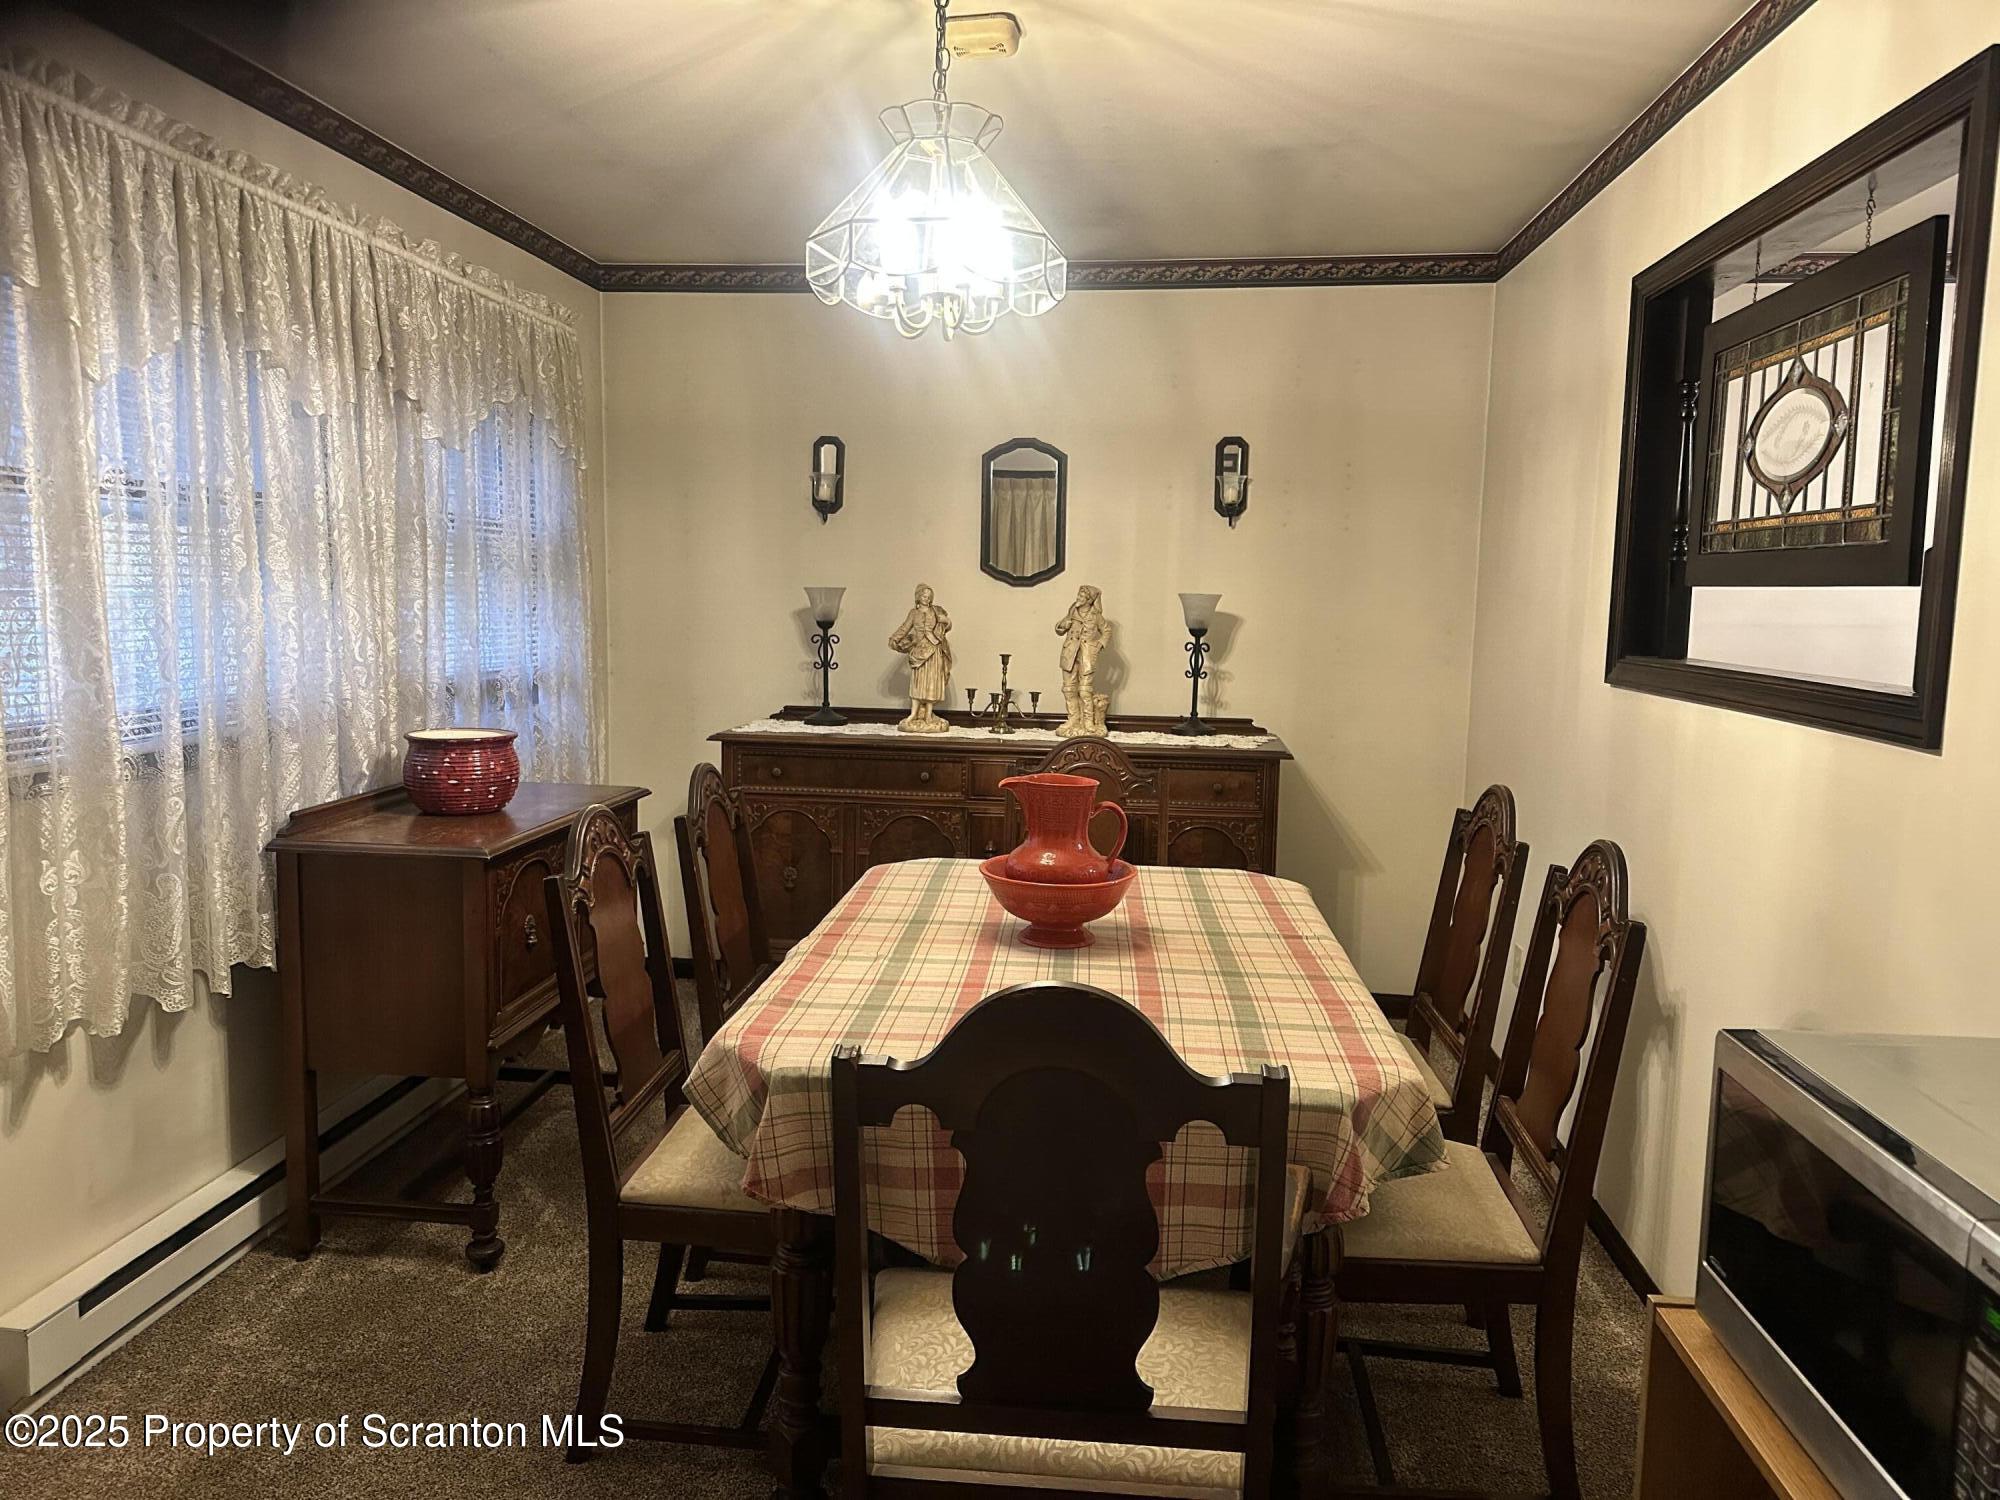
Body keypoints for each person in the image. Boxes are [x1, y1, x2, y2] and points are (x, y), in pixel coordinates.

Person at [887, 584, 953, 733]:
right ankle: (913, 714)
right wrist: (894, 638)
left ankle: (928, 715)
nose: (927, 598)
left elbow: (947, 625)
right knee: (918, 682)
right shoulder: (913, 613)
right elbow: (905, 628)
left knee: (932, 682)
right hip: (919, 651)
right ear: (918, 597)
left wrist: (946, 621)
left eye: (929, 596)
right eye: (924, 596)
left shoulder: (936, 611)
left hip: (934, 649)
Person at [1054, 584, 1111, 737]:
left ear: (1088, 600)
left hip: (1086, 655)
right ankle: (1073, 719)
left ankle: (1088, 722)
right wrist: (1063, 625)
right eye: (1078, 595)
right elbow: (1059, 627)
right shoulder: (1072, 610)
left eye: (1081, 596)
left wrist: (1098, 645)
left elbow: (1106, 630)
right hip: (1069, 654)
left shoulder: (1096, 616)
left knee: (1085, 691)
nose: (1078, 598)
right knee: (1068, 689)